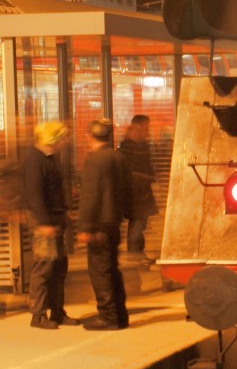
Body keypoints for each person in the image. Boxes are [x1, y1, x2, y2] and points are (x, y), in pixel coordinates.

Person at [20, 120, 80, 329]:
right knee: (44, 268)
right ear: (52, 138)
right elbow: (34, 195)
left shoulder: (49, 158)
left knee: (58, 268)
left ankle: (57, 311)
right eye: (62, 137)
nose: (65, 141)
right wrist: (44, 223)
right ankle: (38, 315)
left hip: (55, 220)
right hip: (44, 222)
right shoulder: (36, 161)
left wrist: (66, 210)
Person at [76, 118, 129, 330]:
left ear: (90, 136)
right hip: (113, 221)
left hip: (98, 224)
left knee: (99, 271)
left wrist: (85, 227)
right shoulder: (118, 157)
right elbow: (127, 189)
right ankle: (119, 315)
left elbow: (90, 196)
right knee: (112, 269)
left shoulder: (94, 160)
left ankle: (107, 317)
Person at [118, 114, 158, 261]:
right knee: (137, 225)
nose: (148, 130)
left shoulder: (143, 146)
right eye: (146, 127)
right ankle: (135, 254)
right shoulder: (126, 150)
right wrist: (146, 177)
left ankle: (137, 253)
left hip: (142, 193)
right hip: (135, 195)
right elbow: (130, 173)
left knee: (140, 225)